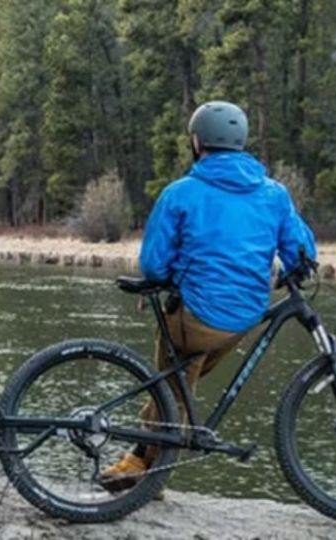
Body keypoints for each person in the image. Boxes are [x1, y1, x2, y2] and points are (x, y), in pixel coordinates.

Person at [100, 100, 317, 492]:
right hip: (245, 319)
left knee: (173, 381)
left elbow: (153, 264)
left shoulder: (181, 193)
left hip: (195, 319)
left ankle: (143, 464)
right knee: (180, 382)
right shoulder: (275, 194)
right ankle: (146, 463)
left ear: (197, 142)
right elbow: (301, 252)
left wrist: (162, 282)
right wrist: (292, 269)